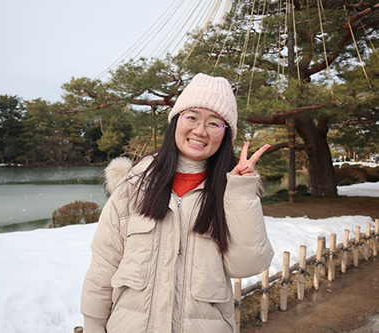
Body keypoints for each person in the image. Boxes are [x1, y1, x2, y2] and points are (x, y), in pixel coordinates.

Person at [81, 73, 274, 333]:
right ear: (176, 121)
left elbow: (247, 266)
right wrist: (93, 325)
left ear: (225, 134)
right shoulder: (135, 184)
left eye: (214, 123)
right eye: (191, 117)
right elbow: (104, 264)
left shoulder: (231, 191)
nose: (200, 130)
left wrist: (241, 193)